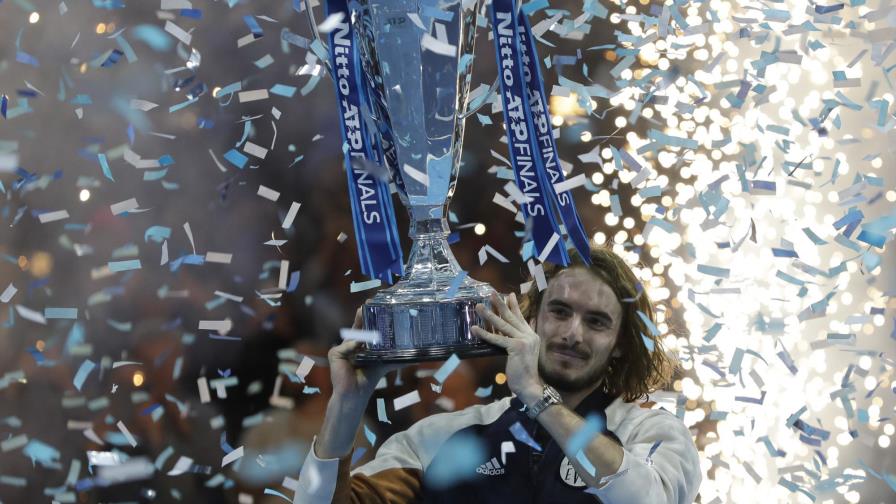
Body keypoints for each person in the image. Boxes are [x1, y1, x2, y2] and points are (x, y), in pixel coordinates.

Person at [294, 246, 701, 503]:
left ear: (621, 345)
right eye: (559, 312)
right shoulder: (441, 437)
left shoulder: (653, 433)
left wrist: (539, 397)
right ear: (530, 319)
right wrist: (346, 404)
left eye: (596, 322)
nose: (572, 333)